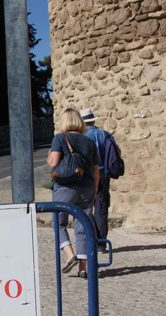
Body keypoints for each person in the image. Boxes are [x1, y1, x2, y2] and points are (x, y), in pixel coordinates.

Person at [47, 108, 101, 278]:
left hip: (65, 188)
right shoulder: (89, 142)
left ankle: (70, 254)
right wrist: (95, 188)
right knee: (83, 224)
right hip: (87, 187)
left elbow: (53, 162)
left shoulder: (59, 138)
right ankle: (84, 268)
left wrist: (50, 156)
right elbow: (96, 169)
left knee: (58, 222)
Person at [80, 108, 116, 252]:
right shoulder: (104, 135)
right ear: (93, 120)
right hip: (103, 175)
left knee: (85, 208)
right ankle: (101, 244)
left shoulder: (80, 138)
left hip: (86, 177)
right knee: (101, 209)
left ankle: (91, 240)